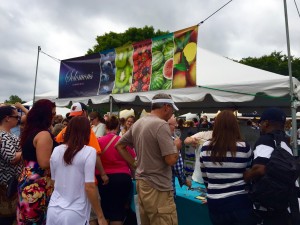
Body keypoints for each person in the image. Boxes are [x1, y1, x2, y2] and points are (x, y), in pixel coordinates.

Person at [115, 93, 181, 225]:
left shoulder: (139, 122)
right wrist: (177, 147)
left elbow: (119, 146)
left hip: (142, 183)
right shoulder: (161, 125)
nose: (172, 113)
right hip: (158, 186)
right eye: (172, 109)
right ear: (166, 107)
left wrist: (135, 164)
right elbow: (171, 160)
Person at [47, 116, 107, 225]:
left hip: (53, 209)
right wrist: (100, 216)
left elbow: (54, 182)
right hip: (75, 212)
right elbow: (89, 187)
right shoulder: (89, 152)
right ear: (87, 132)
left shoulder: (56, 150)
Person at [244, 107, 300, 225]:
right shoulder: (285, 143)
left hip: (269, 208)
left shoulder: (265, 140)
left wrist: (247, 175)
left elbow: (259, 168)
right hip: (288, 203)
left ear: (266, 123)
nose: (259, 126)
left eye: (260, 123)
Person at [200, 110, 256, 225]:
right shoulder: (244, 147)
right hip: (240, 202)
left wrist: (213, 190)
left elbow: (205, 177)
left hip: (215, 203)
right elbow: (249, 173)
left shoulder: (205, 148)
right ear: (235, 126)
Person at [17, 99, 57, 225]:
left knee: (26, 218)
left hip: (27, 178)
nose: (54, 117)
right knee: (35, 219)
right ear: (45, 115)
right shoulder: (44, 134)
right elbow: (44, 163)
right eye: (53, 114)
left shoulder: (29, 132)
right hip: (38, 183)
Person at [97, 115, 136, 225]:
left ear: (106, 127)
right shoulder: (123, 143)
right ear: (118, 127)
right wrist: (133, 176)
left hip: (103, 179)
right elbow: (132, 162)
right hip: (122, 178)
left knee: (104, 212)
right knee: (118, 212)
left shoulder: (99, 142)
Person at [0, 106, 23, 225]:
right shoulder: (2, 136)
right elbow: (12, 158)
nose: (18, 119)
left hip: (11, 184)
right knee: (5, 218)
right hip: (6, 185)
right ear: (7, 118)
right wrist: (26, 151)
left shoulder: (8, 134)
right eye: (16, 117)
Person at [168, 115, 191, 196]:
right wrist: (184, 181)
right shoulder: (172, 141)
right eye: (174, 125)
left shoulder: (154, 138)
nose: (175, 127)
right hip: (167, 187)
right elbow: (177, 167)